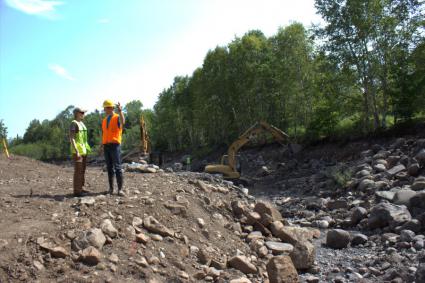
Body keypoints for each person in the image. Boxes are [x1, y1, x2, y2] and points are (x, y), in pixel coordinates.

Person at [100, 99, 125, 196]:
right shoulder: (104, 120)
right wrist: (101, 145)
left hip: (115, 146)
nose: (104, 110)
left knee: (118, 167)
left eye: (105, 108)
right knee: (109, 168)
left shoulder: (117, 117)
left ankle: (120, 190)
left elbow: (123, 122)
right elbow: (104, 133)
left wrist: (121, 111)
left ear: (110, 108)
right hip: (106, 146)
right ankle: (111, 189)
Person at [69, 107, 91, 197]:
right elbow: (72, 138)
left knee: (82, 171)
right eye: (82, 112)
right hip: (77, 151)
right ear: (77, 113)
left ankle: (81, 188)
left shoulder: (81, 123)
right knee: (78, 171)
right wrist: (77, 150)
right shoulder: (73, 124)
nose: (83, 114)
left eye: (84, 112)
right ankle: (77, 192)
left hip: (84, 151)